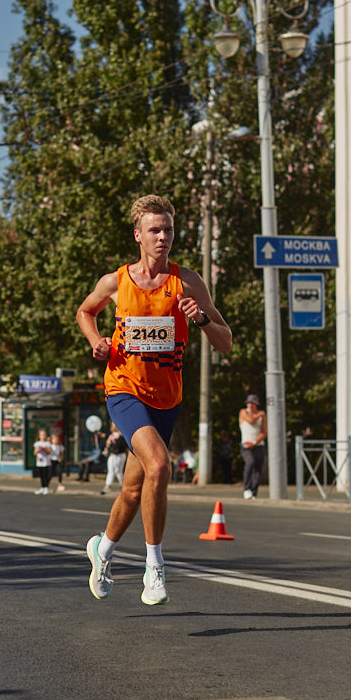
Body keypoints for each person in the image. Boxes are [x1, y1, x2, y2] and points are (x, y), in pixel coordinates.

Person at [76, 194, 232, 605]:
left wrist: (198, 317)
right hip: (123, 388)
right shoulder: (117, 282)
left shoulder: (188, 282)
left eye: (168, 230)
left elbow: (226, 341)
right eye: (154, 230)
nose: (163, 237)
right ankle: (154, 568)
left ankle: (102, 550)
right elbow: (85, 312)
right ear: (138, 236)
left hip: (166, 397)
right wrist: (97, 343)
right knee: (160, 464)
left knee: (133, 488)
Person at [239, 394, 267, 500]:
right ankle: (247, 489)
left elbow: (264, 433)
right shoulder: (243, 412)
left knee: (258, 469)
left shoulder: (261, 416)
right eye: (249, 403)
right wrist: (260, 415)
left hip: (258, 445)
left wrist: (255, 442)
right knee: (249, 462)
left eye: (253, 404)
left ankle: (254, 492)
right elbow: (251, 420)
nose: (251, 406)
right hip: (246, 445)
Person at [100, 424, 128, 495]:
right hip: (113, 455)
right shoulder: (113, 435)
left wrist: (110, 447)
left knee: (118, 471)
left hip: (118, 455)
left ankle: (123, 486)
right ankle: (108, 486)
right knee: (111, 471)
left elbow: (118, 446)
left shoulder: (121, 436)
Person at [33, 428, 53, 495]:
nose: (43, 436)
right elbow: (35, 453)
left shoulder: (48, 443)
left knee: (46, 475)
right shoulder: (37, 443)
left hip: (46, 462)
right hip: (39, 462)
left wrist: (44, 449)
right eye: (41, 435)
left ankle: (46, 487)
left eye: (44, 435)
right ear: (39, 436)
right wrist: (38, 449)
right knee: (41, 475)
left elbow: (49, 452)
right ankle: (42, 487)